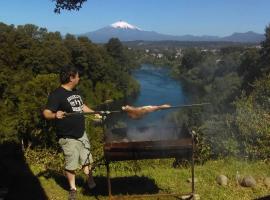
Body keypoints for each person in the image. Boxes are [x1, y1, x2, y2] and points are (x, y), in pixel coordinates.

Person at [43, 66, 99, 200]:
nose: (79, 78)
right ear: (71, 78)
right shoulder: (56, 94)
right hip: (67, 136)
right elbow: (46, 113)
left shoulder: (76, 92)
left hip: (81, 133)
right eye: (77, 76)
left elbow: (81, 106)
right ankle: (73, 189)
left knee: (87, 159)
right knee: (71, 164)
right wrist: (55, 115)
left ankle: (90, 182)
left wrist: (95, 113)